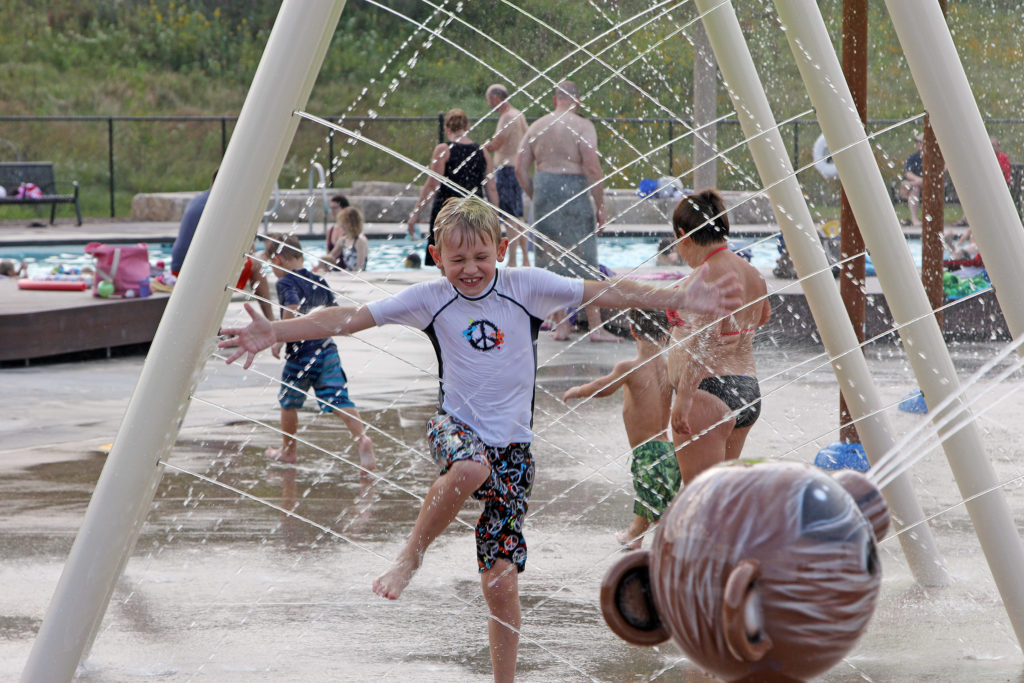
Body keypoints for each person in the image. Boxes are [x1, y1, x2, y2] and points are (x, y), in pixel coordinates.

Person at [219, 196, 742, 683]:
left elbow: (603, 290)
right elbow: (349, 319)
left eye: (480, 257)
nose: (469, 269)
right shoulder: (431, 298)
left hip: (514, 451)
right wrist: (277, 332)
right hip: (455, 429)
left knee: (500, 582)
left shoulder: (526, 287)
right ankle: (411, 556)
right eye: (457, 259)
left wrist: (679, 294)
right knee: (470, 469)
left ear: (502, 250)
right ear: (435, 257)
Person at [666, 189, 771, 486]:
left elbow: (705, 343)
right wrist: (736, 331)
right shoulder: (751, 272)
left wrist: (684, 399)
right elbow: (763, 316)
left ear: (683, 235)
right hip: (746, 390)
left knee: (700, 497)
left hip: (707, 392)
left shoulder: (709, 274)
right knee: (723, 494)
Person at [563, 308, 679, 550]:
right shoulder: (670, 366)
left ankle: (676, 546)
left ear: (632, 331)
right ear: (668, 332)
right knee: (653, 495)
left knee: (656, 504)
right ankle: (633, 536)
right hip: (668, 448)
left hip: (646, 451)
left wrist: (577, 391)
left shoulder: (630, 367)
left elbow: (602, 386)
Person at [262, 233, 376, 468]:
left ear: (277, 260)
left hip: (301, 354)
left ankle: (288, 451)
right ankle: (362, 439)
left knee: (288, 402)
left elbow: (291, 306)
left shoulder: (285, 282)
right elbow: (334, 311)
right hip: (326, 349)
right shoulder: (319, 280)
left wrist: (279, 337)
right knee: (339, 398)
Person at [515, 80, 617, 342]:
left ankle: (561, 326)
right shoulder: (583, 126)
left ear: (554, 99)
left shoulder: (537, 126)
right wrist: (600, 206)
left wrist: (536, 195)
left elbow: (519, 168)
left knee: (551, 262)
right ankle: (595, 327)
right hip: (574, 190)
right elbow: (592, 167)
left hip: (545, 189)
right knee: (585, 258)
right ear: (577, 101)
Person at [170, 168, 274, 318]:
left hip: (178, 269)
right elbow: (247, 248)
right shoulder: (227, 203)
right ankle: (271, 322)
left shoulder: (199, 199)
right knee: (256, 266)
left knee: (223, 264)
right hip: (200, 274)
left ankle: (215, 325)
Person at [406, 108, 499, 267]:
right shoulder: (482, 151)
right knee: (473, 259)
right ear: (467, 127)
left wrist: (415, 214)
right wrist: (495, 217)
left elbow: (432, 185)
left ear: (447, 129)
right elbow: (491, 188)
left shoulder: (443, 150)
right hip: (475, 213)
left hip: (448, 212)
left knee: (447, 262)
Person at [483, 84, 530, 267]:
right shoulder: (519, 114)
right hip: (516, 168)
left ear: (496, 98)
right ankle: (525, 258)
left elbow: (497, 143)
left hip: (505, 169)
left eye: (489, 100)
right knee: (518, 216)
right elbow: (527, 137)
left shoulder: (507, 117)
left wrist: (479, 148)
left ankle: (512, 261)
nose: (488, 104)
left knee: (509, 215)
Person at [321, 206, 368, 272]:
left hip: (356, 277)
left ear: (350, 224)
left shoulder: (360, 241)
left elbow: (360, 267)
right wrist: (323, 261)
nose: (341, 225)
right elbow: (331, 256)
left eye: (343, 223)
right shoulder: (343, 240)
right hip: (347, 274)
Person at [899, 134, 924, 227]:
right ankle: (914, 219)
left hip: (929, 185)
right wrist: (920, 180)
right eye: (918, 142)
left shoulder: (932, 157)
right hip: (916, 185)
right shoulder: (913, 158)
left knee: (913, 185)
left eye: (920, 142)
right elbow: (908, 173)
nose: (918, 144)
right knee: (915, 188)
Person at [324, 193, 351, 257]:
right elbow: (328, 254)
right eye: (331, 208)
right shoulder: (330, 231)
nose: (332, 211)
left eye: (335, 208)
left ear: (344, 209)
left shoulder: (350, 230)